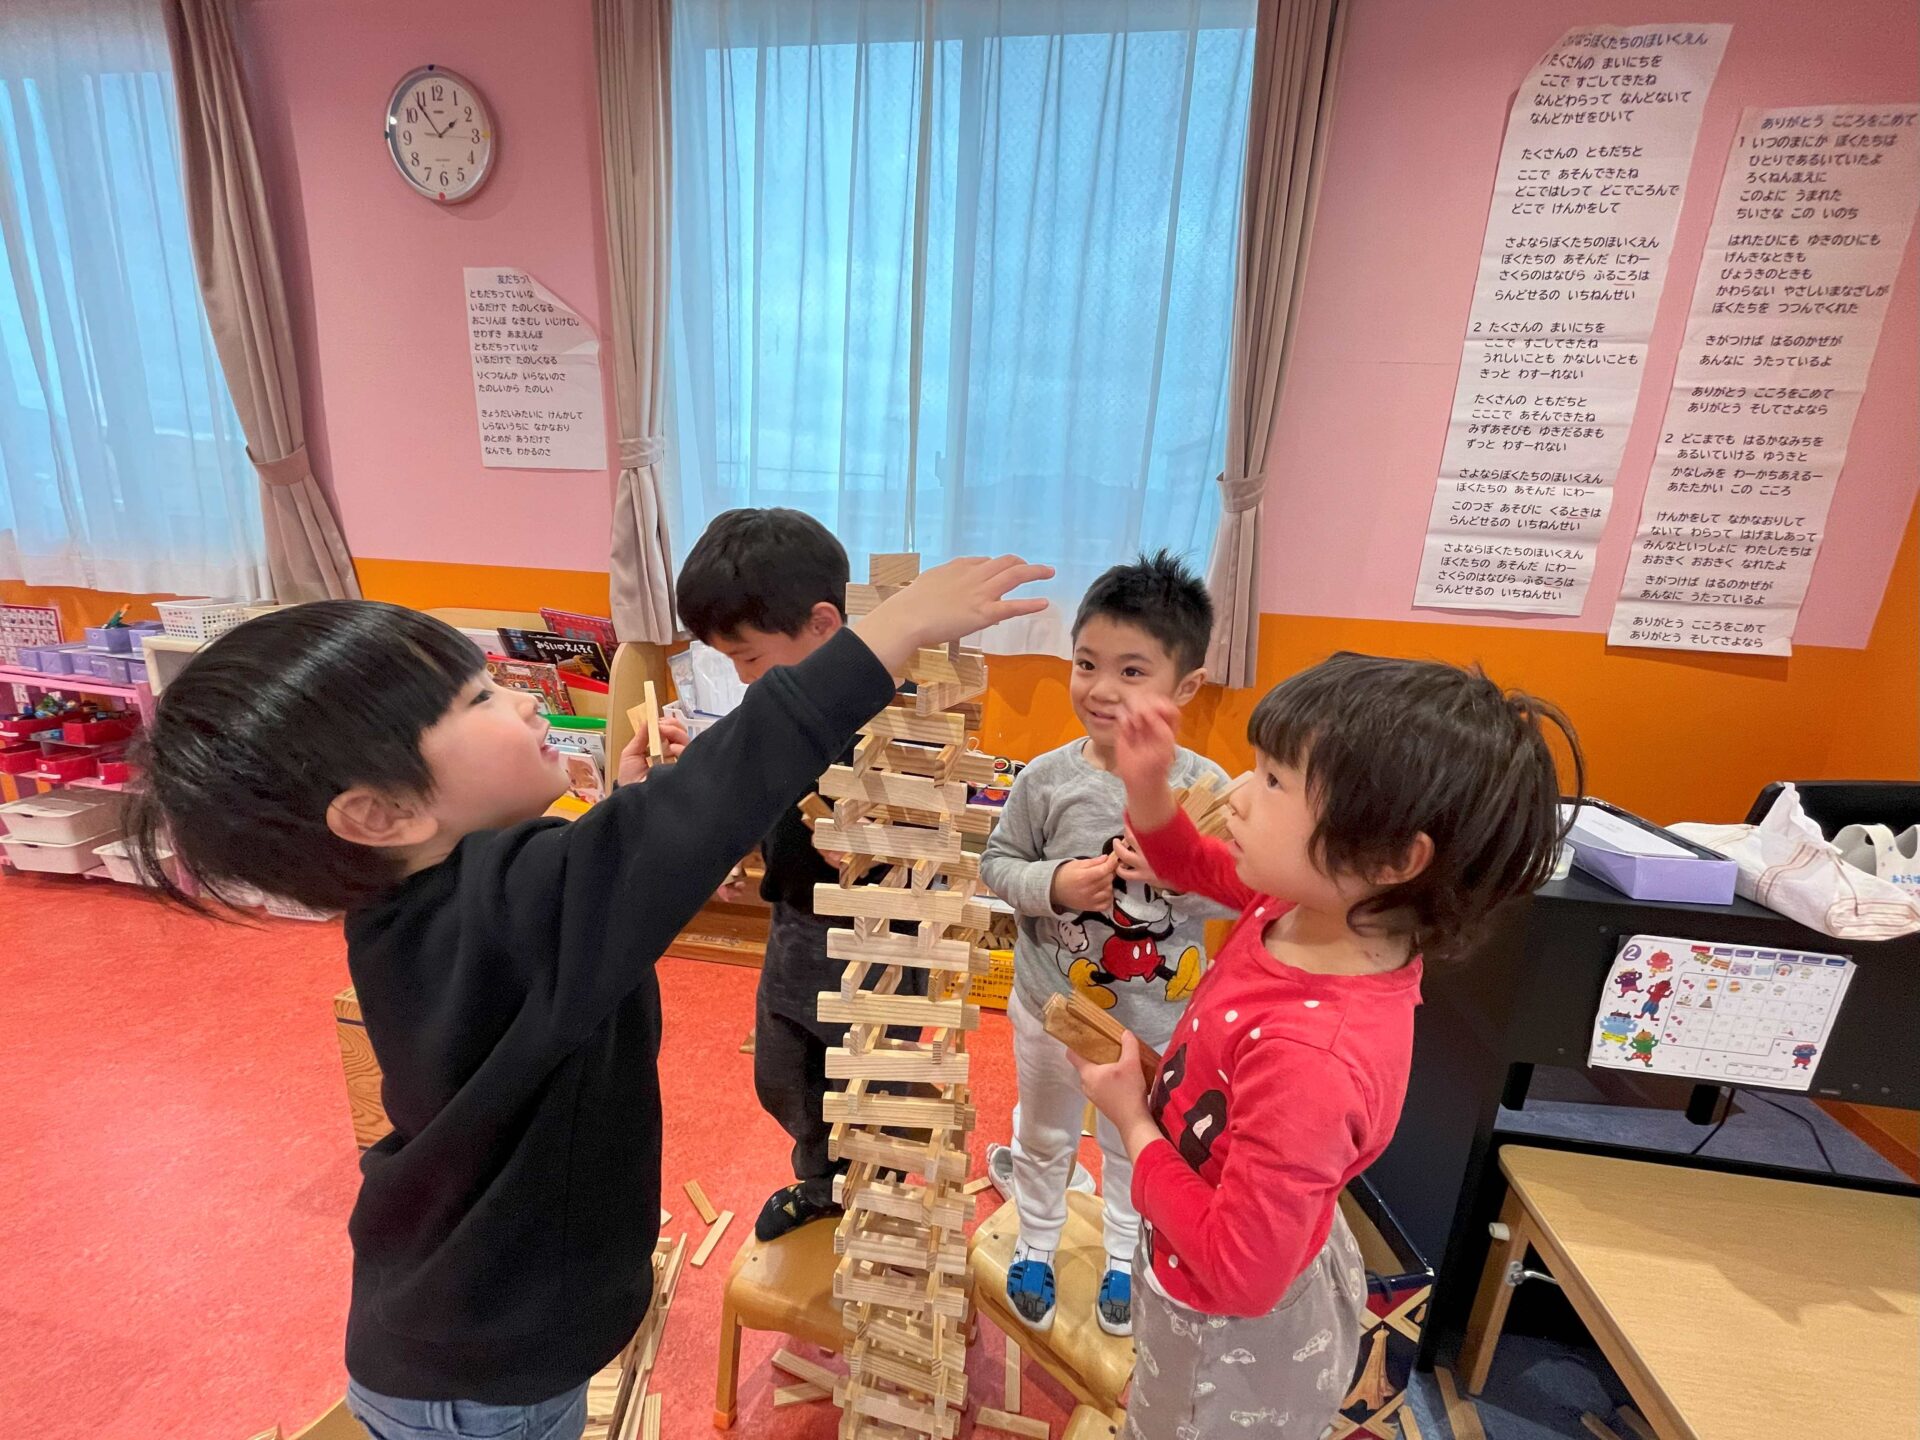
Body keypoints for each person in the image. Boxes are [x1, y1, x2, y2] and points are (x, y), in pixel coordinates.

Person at [124, 556, 1049, 1440]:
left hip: (448, 1334)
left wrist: (627, 802)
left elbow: (586, 889)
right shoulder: (514, 907)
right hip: (489, 1385)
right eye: (479, 699)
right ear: (380, 815)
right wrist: (893, 630)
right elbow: (709, 801)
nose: (524, 699)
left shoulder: (424, 907)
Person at [1071, 654, 1580, 1438]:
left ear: (1391, 860)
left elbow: (1238, 1272)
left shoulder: (1312, 1057)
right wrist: (1146, 788)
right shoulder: (1302, 907)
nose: (1237, 796)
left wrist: (1133, 1121)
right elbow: (1185, 861)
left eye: (1275, 781)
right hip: (1210, 1236)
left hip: (1226, 1330)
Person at [979, 552, 1231, 1337]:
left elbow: (1237, 895)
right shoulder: (1046, 780)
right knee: (1045, 1131)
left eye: (1132, 671)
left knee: (1135, 1144)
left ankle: (1126, 1253)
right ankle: (1037, 1240)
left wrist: (1176, 876)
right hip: (1049, 1005)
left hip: (1154, 1023)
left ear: (1186, 686)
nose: (1100, 688)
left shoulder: (1209, 788)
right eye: (1086, 663)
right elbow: (996, 863)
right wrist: (1055, 883)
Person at [676, 508, 924, 1243]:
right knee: (787, 1071)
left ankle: (877, 1191)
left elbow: (939, 834)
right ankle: (821, 1182)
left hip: (878, 939)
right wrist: (738, 847)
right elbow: (761, 793)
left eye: (749, 656)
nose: (743, 676)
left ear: (822, 625)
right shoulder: (775, 706)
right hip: (795, 923)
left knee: (872, 1080)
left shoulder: (893, 714)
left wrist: (884, 847)